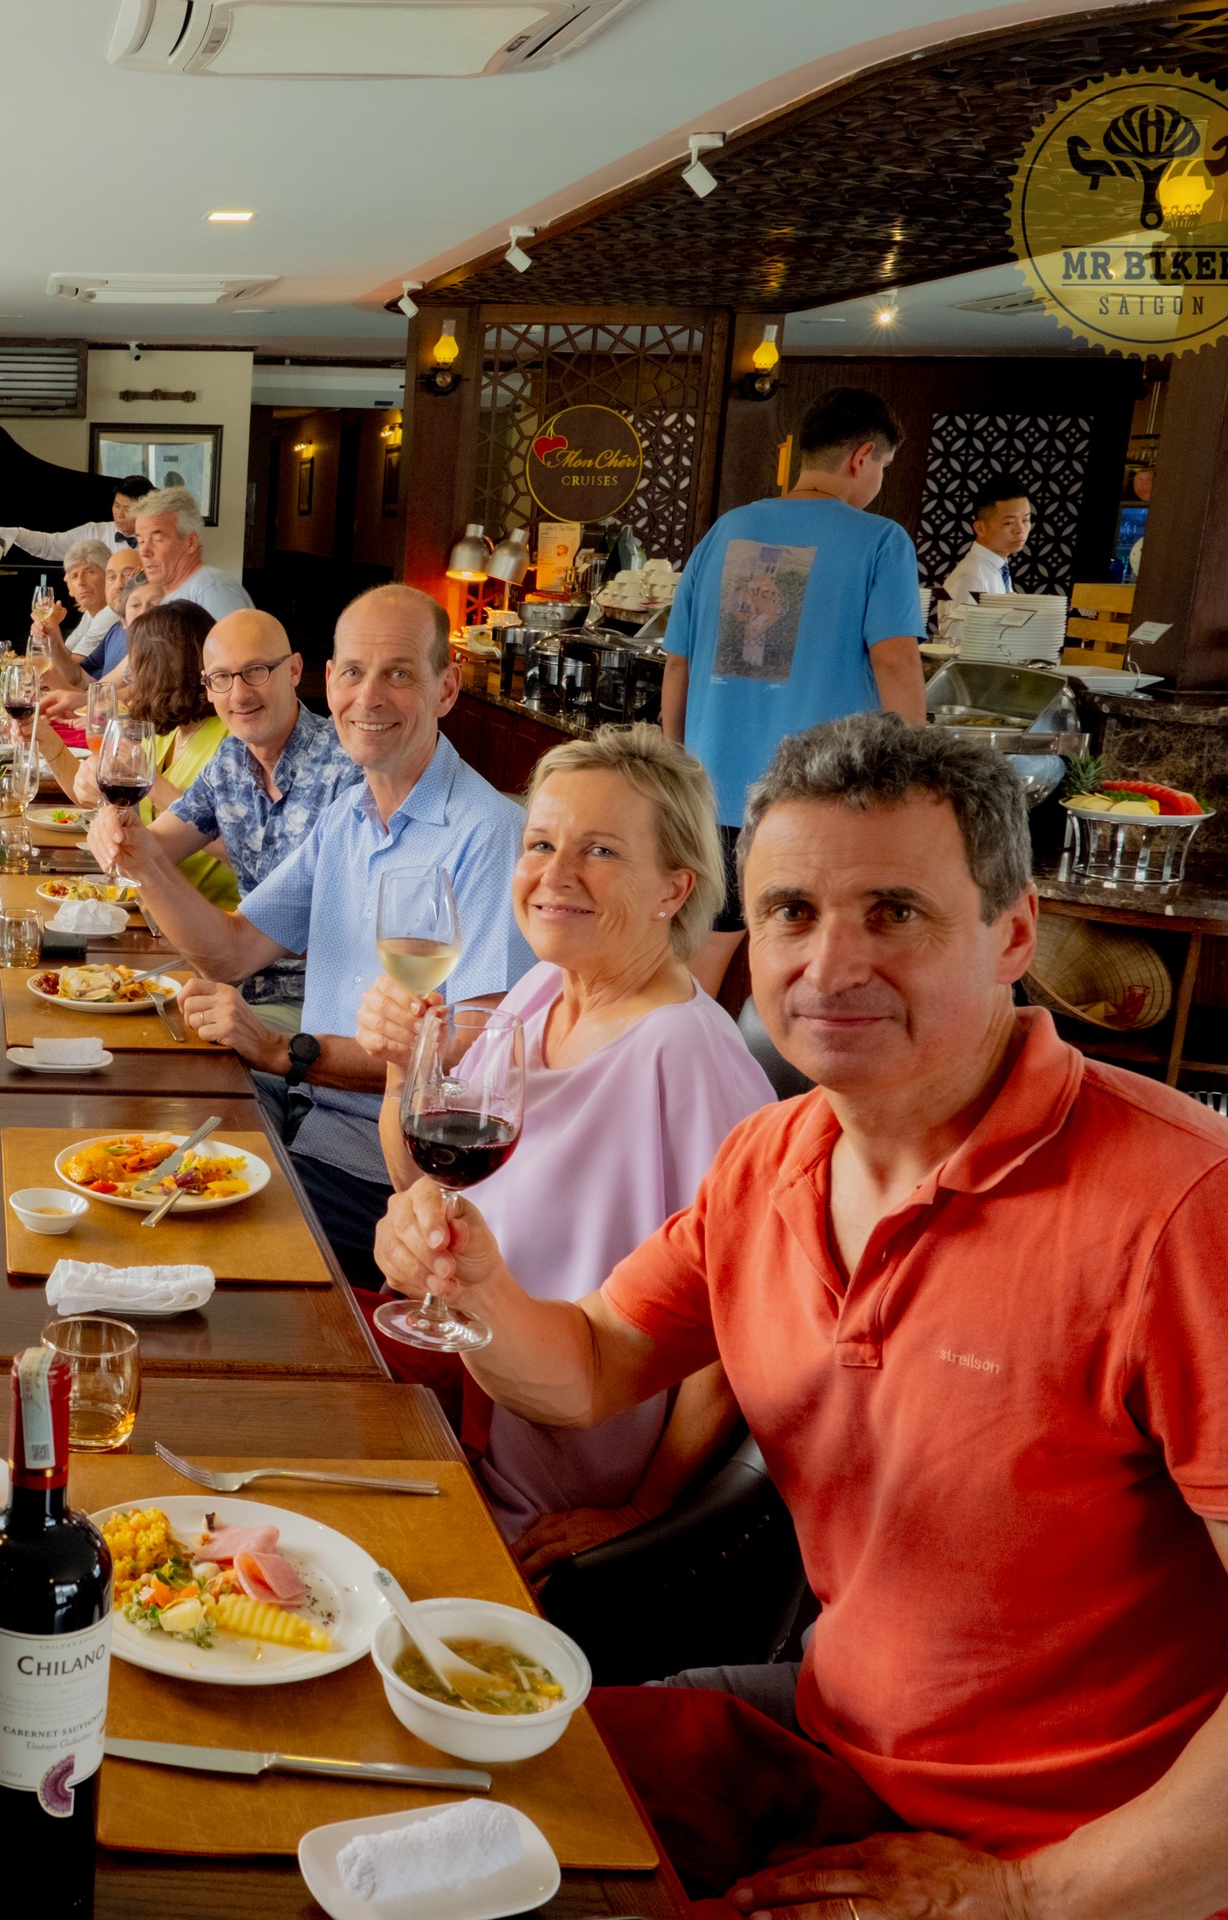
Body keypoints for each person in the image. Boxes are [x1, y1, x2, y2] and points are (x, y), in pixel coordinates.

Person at [375, 713, 1228, 1916]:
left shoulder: (1182, 1205)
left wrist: (1024, 1895)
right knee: (416, 1800)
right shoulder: (772, 1155)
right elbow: (591, 1364)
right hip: (834, 1744)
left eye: (894, 912)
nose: (828, 967)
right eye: (789, 912)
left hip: (1073, 1856)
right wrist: (476, 1287)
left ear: (1012, 934)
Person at [364, 726, 770, 1564]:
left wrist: (646, 1515)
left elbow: (738, 1334)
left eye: (600, 851)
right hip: (463, 1398)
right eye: (541, 842)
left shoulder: (689, 1057)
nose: (554, 874)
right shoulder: (541, 990)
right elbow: (421, 1179)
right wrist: (402, 1072)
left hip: (551, 1479)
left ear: (674, 888)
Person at [90, 585, 531, 1287]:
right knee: (126, 1151)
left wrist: (275, 1048)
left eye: (399, 674)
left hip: (391, 1176)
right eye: (354, 672)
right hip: (305, 1120)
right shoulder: (350, 815)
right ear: (328, 680)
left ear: (447, 689)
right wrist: (143, 863)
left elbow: (471, 1069)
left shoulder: (489, 834)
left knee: (169, 1245)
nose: (370, 697)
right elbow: (232, 950)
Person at [662, 386, 927, 993]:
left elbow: (677, 666)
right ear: (862, 457)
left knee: (692, 980)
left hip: (715, 797)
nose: (878, 481)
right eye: (883, 467)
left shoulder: (725, 532)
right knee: (813, 972)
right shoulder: (881, 541)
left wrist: (677, 772)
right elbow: (896, 663)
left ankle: (676, 1085)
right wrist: (917, 774)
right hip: (821, 802)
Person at [154, 608, 358, 1017]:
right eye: (222, 679)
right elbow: (157, 846)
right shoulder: (230, 758)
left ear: (295, 670)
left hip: (314, 1002)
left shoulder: (347, 768)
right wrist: (113, 820)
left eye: (256, 671)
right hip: (236, 986)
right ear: (208, 689)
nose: (240, 694)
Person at [42, 600, 240, 908]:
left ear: (168, 666)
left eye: (139, 664)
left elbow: (239, 849)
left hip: (214, 919)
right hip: (152, 906)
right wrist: (43, 737)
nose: (130, 677)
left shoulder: (231, 740)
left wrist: (153, 783)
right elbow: (99, 801)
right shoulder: (164, 731)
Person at [133, 484, 253, 622]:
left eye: (157, 539)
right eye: (141, 541)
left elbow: (235, 643)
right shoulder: (163, 594)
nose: (144, 551)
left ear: (190, 542)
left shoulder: (211, 589)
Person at [31, 537, 123, 694]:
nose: (81, 582)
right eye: (74, 575)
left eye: (90, 572)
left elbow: (71, 675)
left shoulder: (110, 614)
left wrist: (53, 629)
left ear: (109, 577)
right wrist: (52, 629)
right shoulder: (91, 614)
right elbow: (66, 661)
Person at [0, 474, 153, 559]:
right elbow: (49, 545)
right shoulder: (94, 532)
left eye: (127, 509)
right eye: (116, 506)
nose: (119, 514)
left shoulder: (157, 540)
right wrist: (17, 534)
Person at [939, 476, 1032, 603]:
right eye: (1008, 523)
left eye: (1025, 520)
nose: (1020, 529)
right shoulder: (973, 575)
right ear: (980, 528)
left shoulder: (997, 568)